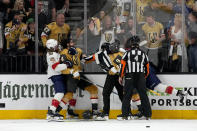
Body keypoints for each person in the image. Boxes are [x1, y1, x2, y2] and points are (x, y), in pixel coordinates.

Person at [56, 38, 100, 119]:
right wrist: (72, 71)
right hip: (70, 75)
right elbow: (62, 67)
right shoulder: (64, 53)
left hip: (79, 74)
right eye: (70, 41)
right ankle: (56, 112)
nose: (73, 42)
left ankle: (95, 112)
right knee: (70, 94)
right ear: (67, 44)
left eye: (73, 41)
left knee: (93, 89)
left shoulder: (78, 50)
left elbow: (84, 60)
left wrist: (95, 56)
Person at [85, 40, 124, 120]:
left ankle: (106, 113)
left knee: (106, 93)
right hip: (119, 75)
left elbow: (87, 59)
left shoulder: (100, 54)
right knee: (121, 93)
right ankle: (127, 112)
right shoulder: (119, 52)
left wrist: (83, 57)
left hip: (112, 75)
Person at [118, 36, 152, 120]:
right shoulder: (143, 53)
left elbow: (122, 66)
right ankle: (147, 115)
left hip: (130, 76)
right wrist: (144, 76)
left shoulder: (127, 53)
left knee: (127, 96)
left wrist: (120, 76)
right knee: (143, 96)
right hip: (140, 76)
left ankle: (125, 115)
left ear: (131, 44)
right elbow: (147, 68)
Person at [45, 39, 73, 121]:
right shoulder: (51, 55)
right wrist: (66, 65)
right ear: (52, 46)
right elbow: (56, 67)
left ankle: (54, 111)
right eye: (56, 45)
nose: (58, 46)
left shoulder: (55, 53)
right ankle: (51, 111)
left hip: (59, 75)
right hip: (55, 75)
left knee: (63, 93)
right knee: (60, 92)